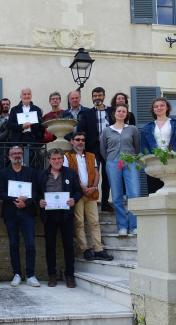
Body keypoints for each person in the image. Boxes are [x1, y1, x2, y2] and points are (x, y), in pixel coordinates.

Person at [64, 132, 113, 261]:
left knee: (95, 222)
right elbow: (68, 175)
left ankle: (98, 249)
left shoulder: (92, 156)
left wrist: (94, 187)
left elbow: (97, 173)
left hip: (91, 193)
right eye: (77, 139)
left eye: (83, 140)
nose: (80, 142)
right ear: (72, 142)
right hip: (77, 194)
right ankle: (84, 249)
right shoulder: (66, 157)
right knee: (79, 222)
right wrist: (82, 188)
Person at [0, 146, 40, 287]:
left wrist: (25, 203)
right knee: (13, 244)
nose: (17, 155)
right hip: (11, 213)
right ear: (9, 156)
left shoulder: (31, 172)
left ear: (22, 156)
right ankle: (17, 274)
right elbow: (0, 192)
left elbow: (36, 192)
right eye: (14, 153)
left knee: (30, 244)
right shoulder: (3, 173)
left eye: (19, 153)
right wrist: (15, 200)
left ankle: (31, 274)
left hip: (27, 213)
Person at [37, 148, 82, 288]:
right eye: (54, 159)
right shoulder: (42, 175)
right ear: (49, 160)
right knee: (50, 246)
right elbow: (36, 193)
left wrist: (74, 199)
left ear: (63, 160)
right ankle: (52, 275)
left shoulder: (71, 173)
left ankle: (70, 275)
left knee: (68, 246)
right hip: (49, 215)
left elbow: (78, 191)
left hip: (66, 215)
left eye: (59, 159)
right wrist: (39, 201)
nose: (57, 161)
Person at [100, 104, 140, 236]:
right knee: (116, 195)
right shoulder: (106, 131)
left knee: (134, 193)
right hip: (112, 163)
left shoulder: (132, 129)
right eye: (119, 111)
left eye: (124, 111)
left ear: (127, 114)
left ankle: (134, 225)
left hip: (130, 162)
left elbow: (137, 147)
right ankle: (122, 226)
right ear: (114, 114)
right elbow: (103, 150)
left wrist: (131, 158)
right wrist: (111, 160)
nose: (121, 113)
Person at [78, 87, 113, 212]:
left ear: (104, 96)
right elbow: (81, 130)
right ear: (92, 97)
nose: (97, 98)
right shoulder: (87, 113)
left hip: (110, 147)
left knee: (107, 175)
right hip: (93, 147)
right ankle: (92, 200)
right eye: (95, 96)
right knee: (93, 175)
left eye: (99, 95)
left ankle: (105, 202)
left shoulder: (111, 111)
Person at [140, 97, 176, 194]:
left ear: (167, 107)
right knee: (154, 193)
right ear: (153, 110)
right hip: (154, 162)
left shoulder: (174, 124)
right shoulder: (146, 128)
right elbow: (144, 148)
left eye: (162, 105)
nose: (159, 108)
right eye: (156, 106)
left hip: (172, 160)